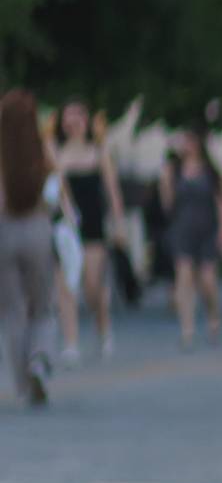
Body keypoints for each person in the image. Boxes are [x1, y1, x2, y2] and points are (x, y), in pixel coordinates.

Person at [0, 92, 60, 407]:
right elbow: (55, 190)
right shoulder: (41, 150)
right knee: (42, 305)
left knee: (12, 312)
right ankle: (39, 359)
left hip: (4, 232)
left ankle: (23, 387)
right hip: (37, 228)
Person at [48, 105, 116, 359]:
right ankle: (71, 343)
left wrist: (118, 222)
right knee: (65, 286)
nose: (74, 120)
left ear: (87, 121)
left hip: (93, 226)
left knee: (92, 285)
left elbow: (112, 190)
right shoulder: (55, 152)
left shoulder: (98, 152)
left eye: (79, 115)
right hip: (64, 226)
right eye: (69, 115)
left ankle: (104, 329)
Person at [157, 128, 222, 349]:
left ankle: (213, 318)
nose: (186, 145)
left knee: (208, 281)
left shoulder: (210, 171)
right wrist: (165, 182)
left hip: (207, 229)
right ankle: (187, 329)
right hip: (182, 229)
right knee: (184, 278)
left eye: (190, 140)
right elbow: (167, 204)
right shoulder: (175, 171)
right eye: (183, 140)